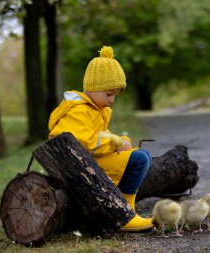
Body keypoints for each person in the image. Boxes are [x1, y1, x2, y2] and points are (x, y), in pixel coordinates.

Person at [48, 46, 153, 232]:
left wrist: (119, 141)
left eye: (115, 95)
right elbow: (86, 143)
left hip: (87, 161)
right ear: (93, 88)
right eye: (109, 94)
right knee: (140, 159)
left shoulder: (95, 109)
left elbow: (101, 135)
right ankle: (123, 214)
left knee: (140, 155)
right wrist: (115, 143)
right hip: (78, 168)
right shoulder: (79, 110)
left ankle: (124, 208)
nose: (112, 100)